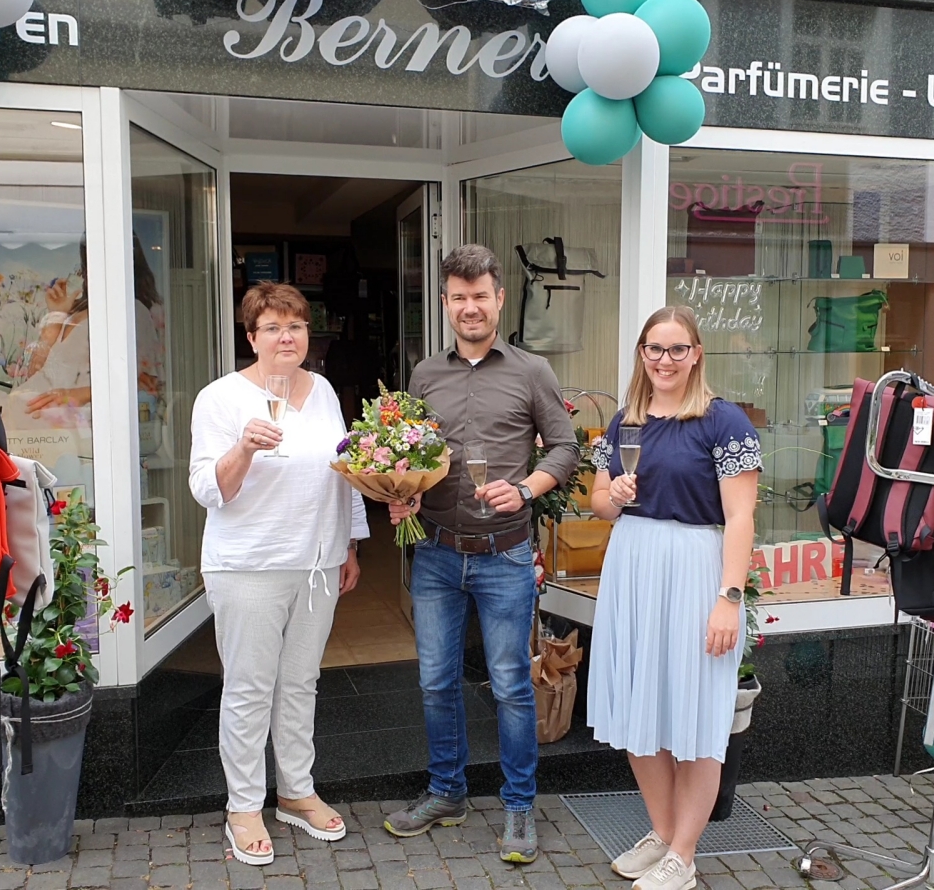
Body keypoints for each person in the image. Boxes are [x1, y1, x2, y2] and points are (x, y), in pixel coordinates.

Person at [383, 244, 579, 863]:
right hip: (437, 555)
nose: (470, 307)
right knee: (436, 683)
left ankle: (520, 808)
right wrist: (401, 492)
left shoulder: (532, 371)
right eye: (458, 297)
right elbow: (409, 453)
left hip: (506, 555)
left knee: (512, 687)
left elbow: (566, 449)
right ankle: (448, 793)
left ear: (498, 299)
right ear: (445, 303)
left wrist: (524, 489)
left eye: (480, 296)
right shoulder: (423, 374)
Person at [188, 282, 368, 866]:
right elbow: (207, 489)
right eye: (272, 327)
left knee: (300, 682)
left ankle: (295, 791)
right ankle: (243, 804)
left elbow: (345, 467)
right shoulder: (220, 398)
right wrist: (243, 448)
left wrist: (350, 544)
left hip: (316, 563)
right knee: (248, 687)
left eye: (295, 325)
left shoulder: (323, 391)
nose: (286, 336)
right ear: (251, 337)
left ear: (307, 334)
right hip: (248, 565)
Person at [587, 305, 760, 890]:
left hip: (693, 570)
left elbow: (740, 519)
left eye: (676, 349)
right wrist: (613, 491)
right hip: (632, 566)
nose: (665, 360)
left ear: (696, 354)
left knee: (696, 713)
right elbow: (598, 505)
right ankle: (663, 835)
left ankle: (683, 857)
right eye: (654, 349)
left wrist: (728, 598)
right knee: (641, 706)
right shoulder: (625, 422)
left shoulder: (723, 421)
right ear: (642, 354)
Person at [9, 235, 163, 427]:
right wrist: (56, 315)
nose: (90, 272)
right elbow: (35, 373)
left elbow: (144, 383)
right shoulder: (76, 311)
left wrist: (76, 395)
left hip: (74, 428)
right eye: (88, 264)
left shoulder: (132, 310)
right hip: (37, 424)